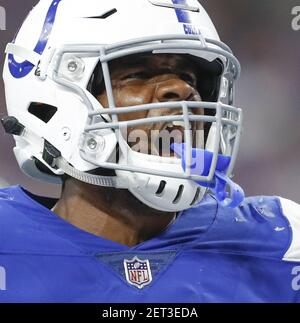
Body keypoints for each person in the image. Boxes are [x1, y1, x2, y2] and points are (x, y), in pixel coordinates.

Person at [0, 0, 299, 303]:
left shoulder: (281, 241)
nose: (184, 92)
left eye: (191, 77)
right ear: (48, 102)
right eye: (138, 73)